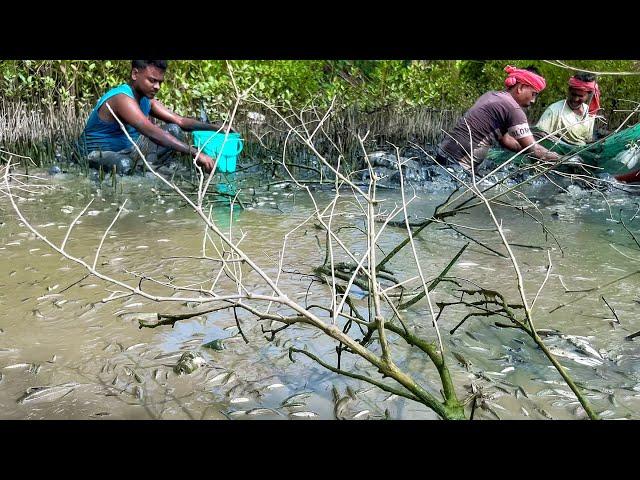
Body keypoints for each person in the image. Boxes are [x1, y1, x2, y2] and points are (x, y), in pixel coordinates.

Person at [79, 60, 234, 174]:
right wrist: (196, 153)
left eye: (160, 82)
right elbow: (151, 132)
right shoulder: (122, 98)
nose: (157, 87)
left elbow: (180, 121)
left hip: (130, 150)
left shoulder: (147, 100)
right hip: (97, 154)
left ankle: (148, 169)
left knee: (173, 129)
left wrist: (217, 128)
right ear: (135, 74)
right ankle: (146, 171)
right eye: (152, 80)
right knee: (124, 164)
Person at [437, 65, 560, 171]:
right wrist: (563, 159)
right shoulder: (514, 109)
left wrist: (525, 148)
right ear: (521, 87)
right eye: (533, 94)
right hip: (459, 166)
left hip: (442, 155)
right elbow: (534, 150)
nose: (533, 100)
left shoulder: (491, 95)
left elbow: (505, 140)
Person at [536, 72, 600, 146]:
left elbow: (587, 139)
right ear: (569, 91)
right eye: (573, 94)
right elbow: (539, 134)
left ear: (588, 95)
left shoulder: (589, 111)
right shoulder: (554, 110)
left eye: (580, 96)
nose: (576, 99)